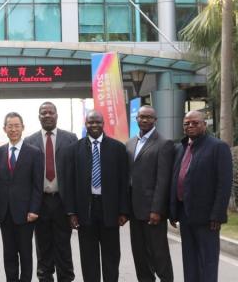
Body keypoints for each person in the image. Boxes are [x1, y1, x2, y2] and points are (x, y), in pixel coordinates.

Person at [65, 110, 129, 282]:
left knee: (111, 256)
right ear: (86, 124)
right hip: (86, 211)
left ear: (103, 124)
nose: (94, 125)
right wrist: (71, 212)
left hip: (110, 210)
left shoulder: (117, 148)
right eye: (90, 122)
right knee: (88, 257)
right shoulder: (74, 150)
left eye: (97, 122)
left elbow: (124, 182)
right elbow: (69, 183)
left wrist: (123, 211)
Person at [169, 110, 232, 282]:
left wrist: (217, 215)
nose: (190, 126)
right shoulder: (180, 148)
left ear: (205, 125)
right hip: (184, 214)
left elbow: (224, 184)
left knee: (207, 261)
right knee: (189, 260)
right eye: (187, 123)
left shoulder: (218, 147)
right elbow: (176, 179)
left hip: (207, 218)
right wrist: (173, 211)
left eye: (195, 122)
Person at [24, 101, 77, 282]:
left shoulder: (70, 138)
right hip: (41, 203)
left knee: (63, 247)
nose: (47, 115)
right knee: (43, 247)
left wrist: (74, 208)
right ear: (39, 117)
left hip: (63, 202)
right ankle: (45, 278)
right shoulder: (29, 141)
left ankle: (66, 278)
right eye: (43, 112)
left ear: (56, 115)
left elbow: (75, 173)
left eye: (50, 112)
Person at [0, 112, 43, 282]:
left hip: (26, 214)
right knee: (9, 254)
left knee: (26, 254)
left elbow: (37, 184)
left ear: (23, 128)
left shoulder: (34, 153)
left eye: (16, 126)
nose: (13, 129)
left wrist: (34, 209)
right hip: (4, 213)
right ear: (4, 129)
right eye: (10, 126)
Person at [125, 106, 174, 282]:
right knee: (139, 255)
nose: (144, 120)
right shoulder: (129, 143)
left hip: (153, 211)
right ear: (136, 119)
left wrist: (157, 210)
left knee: (158, 254)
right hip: (134, 210)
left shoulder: (164, 143)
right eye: (141, 117)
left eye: (149, 117)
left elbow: (163, 181)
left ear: (155, 120)